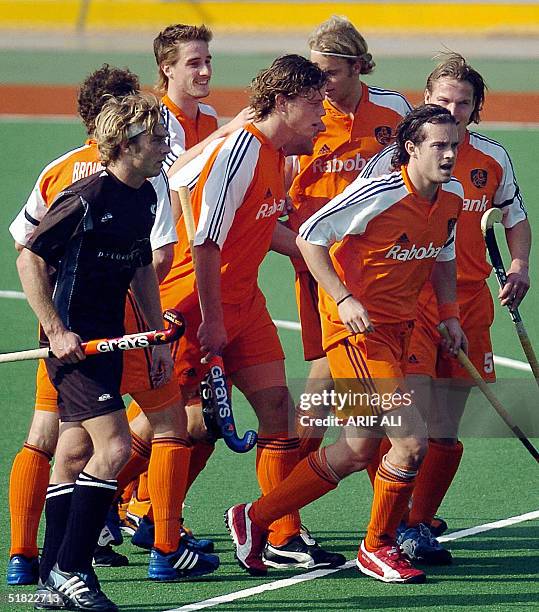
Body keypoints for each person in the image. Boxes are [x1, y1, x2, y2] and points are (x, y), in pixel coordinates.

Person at [226, 104, 467, 584]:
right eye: (438, 145)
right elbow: (312, 236)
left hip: (400, 332)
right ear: (412, 148)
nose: (448, 155)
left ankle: (252, 518)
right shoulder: (380, 191)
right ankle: (377, 546)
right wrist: (343, 297)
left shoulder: (452, 196)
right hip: (358, 333)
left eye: (454, 145)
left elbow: (443, 253)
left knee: (357, 448)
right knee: (410, 443)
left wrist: (450, 314)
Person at [159, 53, 348, 574]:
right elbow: (204, 244)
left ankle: (278, 532)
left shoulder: (274, 155)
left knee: (278, 413)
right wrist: (214, 321)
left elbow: (261, 229)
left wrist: (322, 260)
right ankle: (122, 505)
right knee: (177, 425)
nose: (322, 118)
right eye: (314, 105)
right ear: (283, 102)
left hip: (246, 305)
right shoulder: (240, 150)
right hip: (196, 305)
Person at [6, 64, 180, 586]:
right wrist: (56, 331)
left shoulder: (145, 195)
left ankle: (51, 575)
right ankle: (72, 571)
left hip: (109, 340)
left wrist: (153, 337)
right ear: (126, 144)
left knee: (76, 450)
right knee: (115, 449)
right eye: (156, 138)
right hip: (73, 345)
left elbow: (141, 267)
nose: (165, 146)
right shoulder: (86, 197)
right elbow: (28, 260)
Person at [360, 52, 530, 564]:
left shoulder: (493, 159)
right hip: (408, 307)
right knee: (398, 427)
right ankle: (393, 523)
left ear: (476, 109)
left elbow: (515, 217)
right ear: (425, 102)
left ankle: (416, 521)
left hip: (470, 305)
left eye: (463, 103)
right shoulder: (396, 160)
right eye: (442, 101)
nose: (452, 111)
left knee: (446, 431)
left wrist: (519, 265)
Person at [268, 15, 412, 564]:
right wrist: (303, 252)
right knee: (327, 400)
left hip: (383, 273)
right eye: (315, 73)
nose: (321, 83)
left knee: (364, 405)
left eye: (330, 72)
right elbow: (276, 202)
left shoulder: (394, 110)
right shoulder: (303, 117)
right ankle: (277, 523)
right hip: (326, 276)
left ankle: (388, 515)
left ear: (358, 66)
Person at [123, 22, 253, 545]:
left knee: (197, 422)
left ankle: (144, 506)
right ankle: (116, 503)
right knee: (175, 416)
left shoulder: (209, 118)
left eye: (207, 61)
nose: (204, 71)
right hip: (167, 279)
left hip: (203, 280)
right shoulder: (155, 122)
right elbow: (183, 175)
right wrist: (235, 132)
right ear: (166, 70)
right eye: (192, 63)